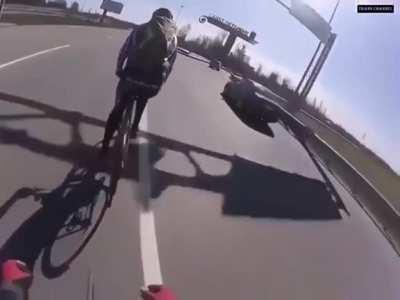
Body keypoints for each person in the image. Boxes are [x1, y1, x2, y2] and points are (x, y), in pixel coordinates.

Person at [101, 8, 178, 154]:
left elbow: (124, 51)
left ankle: (105, 145)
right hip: (152, 84)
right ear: (170, 21)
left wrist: (119, 68)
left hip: (131, 77)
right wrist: (161, 83)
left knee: (119, 105)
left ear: (153, 17)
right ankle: (134, 128)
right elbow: (170, 65)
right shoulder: (173, 38)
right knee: (143, 98)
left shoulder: (141, 29)